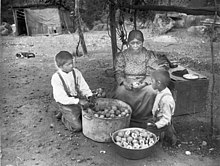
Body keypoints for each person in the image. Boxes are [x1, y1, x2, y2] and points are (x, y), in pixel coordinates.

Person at [114, 29, 169, 127]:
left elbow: (153, 72)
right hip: (128, 80)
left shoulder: (148, 55)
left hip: (145, 80)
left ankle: (144, 118)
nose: (135, 46)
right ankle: (125, 116)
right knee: (120, 92)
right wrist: (124, 82)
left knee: (151, 91)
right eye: (132, 43)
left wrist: (143, 83)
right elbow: (118, 72)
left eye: (138, 43)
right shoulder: (122, 55)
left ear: (142, 43)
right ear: (128, 43)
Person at [51, 51, 93, 132]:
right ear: (60, 66)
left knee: (89, 115)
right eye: (68, 64)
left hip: (76, 99)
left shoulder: (76, 72)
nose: (71, 66)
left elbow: (83, 86)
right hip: (65, 103)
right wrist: (78, 101)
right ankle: (64, 116)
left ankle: (73, 114)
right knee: (77, 127)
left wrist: (89, 95)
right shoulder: (56, 78)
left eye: (72, 63)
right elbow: (61, 98)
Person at [146, 69, 177, 146]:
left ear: (158, 83)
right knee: (146, 124)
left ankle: (168, 139)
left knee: (149, 133)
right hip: (158, 117)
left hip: (163, 122)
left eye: (152, 81)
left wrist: (157, 125)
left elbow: (166, 118)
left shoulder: (166, 99)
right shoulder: (161, 90)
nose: (150, 82)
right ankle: (160, 137)